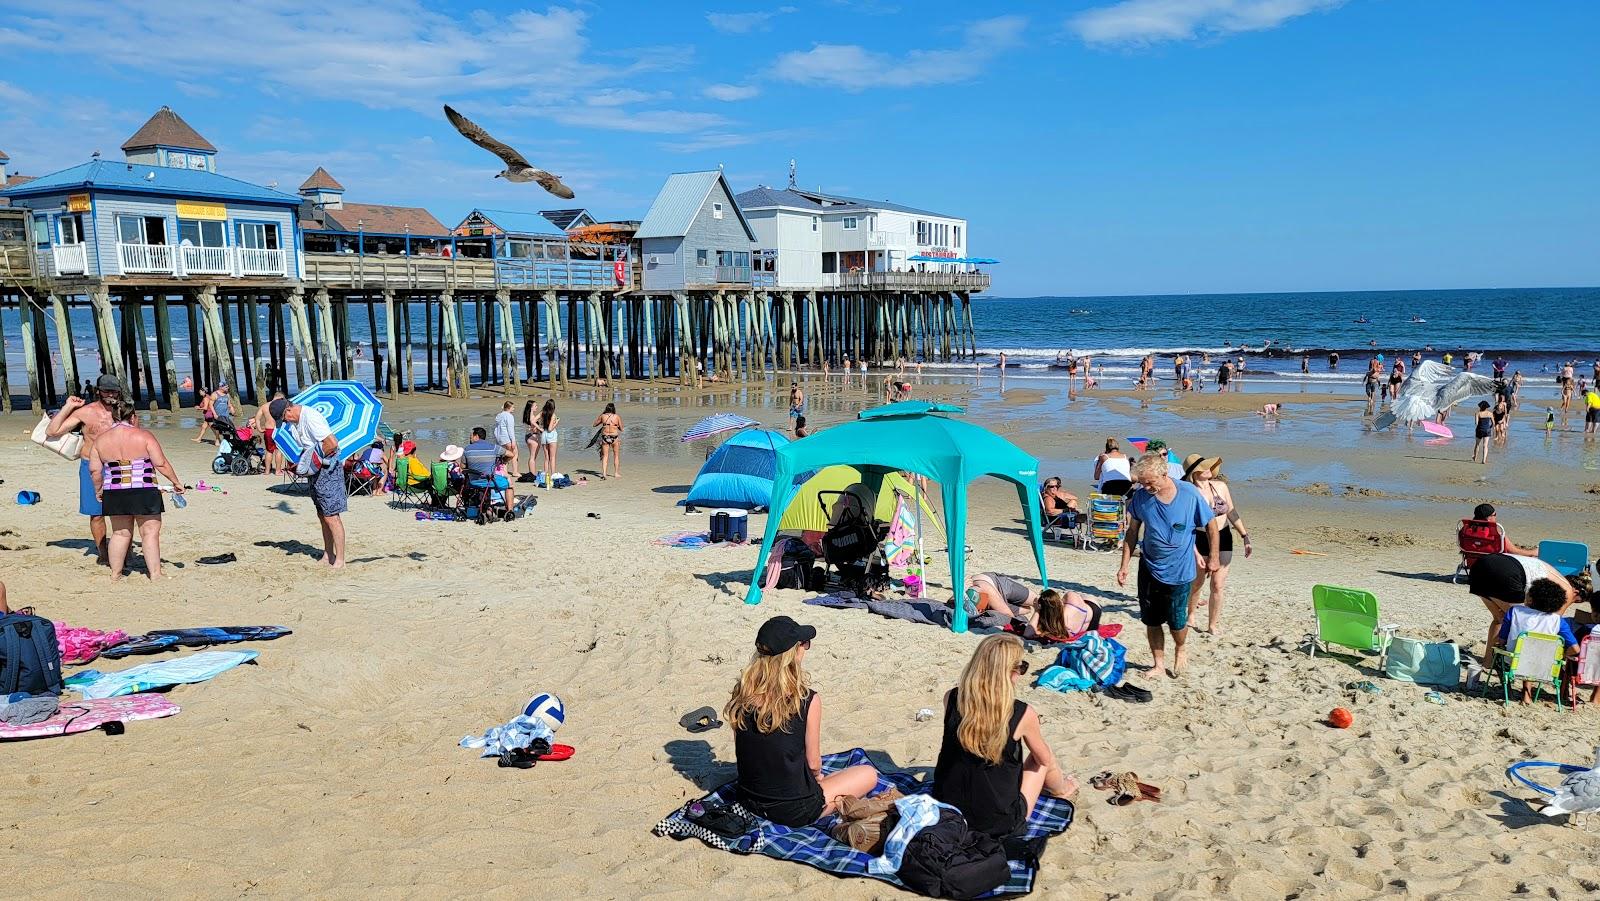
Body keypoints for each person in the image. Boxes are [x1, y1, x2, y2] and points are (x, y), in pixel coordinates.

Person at [724, 616, 879, 827]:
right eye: (804, 644)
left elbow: (744, 749)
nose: (806, 648)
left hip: (749, 799)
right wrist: (817, 777)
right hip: (794, 810)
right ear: (793, 652)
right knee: (867, 774)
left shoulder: (741, 693)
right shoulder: (806, 699)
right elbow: (814, 764)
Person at [931, 635, 1077, 839]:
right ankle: (1062, 789)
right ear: (1010, 673)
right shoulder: (1022, 713)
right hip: (998, 823)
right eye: (1021, 667)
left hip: (946, 810)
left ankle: (1061, 788)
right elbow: (1043, 760)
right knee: (1043, 756)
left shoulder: (952, 697)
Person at [1117, 452, 1218, 677]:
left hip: (1180, 570)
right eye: (1142, 483)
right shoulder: (1141, 498)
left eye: (1149, 482)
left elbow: (1211, 525)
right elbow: (1132, 532)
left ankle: (1180, 648)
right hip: (1149, 567)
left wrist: (1214, 557)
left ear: (1164, 474)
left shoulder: (1189, 494)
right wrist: (1124, 565)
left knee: (1177, 623)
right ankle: (1158, 664)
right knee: (1151, 620)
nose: (1146, 487)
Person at [88, 395, 184, 581]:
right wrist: (175, 482)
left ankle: (115, 573)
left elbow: (95, 470)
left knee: (120, 533)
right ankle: (155, 574)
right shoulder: (144, 436)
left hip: (115, 491)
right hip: (144, 490)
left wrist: (98, 490)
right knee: (149, 533)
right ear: (132, 416)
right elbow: (161, 463)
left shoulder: (101, 440)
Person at [46, 374, 126, 565]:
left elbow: (135, 438)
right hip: (91, 465)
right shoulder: (85, 412)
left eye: (114, 390)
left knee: (122, 512)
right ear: (98, 391)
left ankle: (123, 551)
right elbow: (52, 431)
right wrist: (68, 406)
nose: (110, 394)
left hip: (119, 466)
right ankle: (103, 552)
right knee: (96, 513)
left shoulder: (125, 411)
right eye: (106, 390)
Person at [270, 396, 346, 568]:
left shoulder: (310, 417)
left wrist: (314, 461)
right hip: (317, 469)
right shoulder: (295, 422)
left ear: (288, 410)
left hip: (328, 468)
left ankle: (340, 560)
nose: (286, 423)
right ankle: (328, 555)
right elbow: (308, 447)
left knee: (331, 515)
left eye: (284, 419)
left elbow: (332, 443)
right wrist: (303, 463)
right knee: (322, 514)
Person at [1467, 551, 1576, 671]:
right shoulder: (1568, 591)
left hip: (1482, 565)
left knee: (1499, 619)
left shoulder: (1555, 574)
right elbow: (1547, 625)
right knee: (1519, 620)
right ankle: (1521, 666)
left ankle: (1487, 663)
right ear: (1577, 594)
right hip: (1508, 575)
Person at [1182, 455, 1251, 636]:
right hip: (1200, 537)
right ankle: (1191, 614)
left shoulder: (1220, 486)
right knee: (1197, 582)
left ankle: (1212, 624)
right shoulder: (1189, 491)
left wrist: (1244, 535)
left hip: (1224, 536)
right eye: (1204, 466)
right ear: (1194, 471)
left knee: (1218, 584)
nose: (1209, 469)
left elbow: (1231, 511)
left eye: (1210, 466)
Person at [1495, 579, 1582, 704]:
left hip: (1515, 661)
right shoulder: (1558, 621)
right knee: (1532, 654)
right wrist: (1558, 656)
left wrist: (1501, 645)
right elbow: (1575, 649)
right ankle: (1526, 694)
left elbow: (1501, 640)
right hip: (1544, 666)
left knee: (1499, 652)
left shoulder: (1515, 611)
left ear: (1532, 598)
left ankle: (1508, 689)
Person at [464, 426, 515, 512]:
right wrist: (503, 461)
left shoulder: (467, 449)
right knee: (509, 486)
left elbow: (463, 467)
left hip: (473, 482)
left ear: (476, 436)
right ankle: (510, 511)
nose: (470, 438)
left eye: (471, 436)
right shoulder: (493, 447)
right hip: (490, 481)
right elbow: (511, 455)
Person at [529, 399, 559, 482]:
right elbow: (550, 429)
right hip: (551, 435)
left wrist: (539, 428)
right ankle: (552, 475)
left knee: (546, 458)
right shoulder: (553, 415)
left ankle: (546, 475)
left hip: (544, 434)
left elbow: (533, 421)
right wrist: (556, 423)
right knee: (552, 457)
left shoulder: (542, 412)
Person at [594, 402, 624, 479]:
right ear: (614, 409)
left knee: (605, 456)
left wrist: (602, 419)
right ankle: (616, 473)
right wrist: (615, 425)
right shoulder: (617, 416)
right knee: (616, 455)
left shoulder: (603, 416)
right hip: (614, 437)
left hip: (605, 437)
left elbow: (594, 424)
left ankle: (604, 473)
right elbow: (621, 429)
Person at [494, 401, 520, 478]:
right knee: (514, 454)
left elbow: (496, 429)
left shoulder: (499, 415)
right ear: (509, 408)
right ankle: (515, 471)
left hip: (500, 438)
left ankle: (504, 471)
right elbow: (510, 429)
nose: (514, 409)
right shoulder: (509, 416)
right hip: (507, 438)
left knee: (504, 454)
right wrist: (513, 440)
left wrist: (497, 438)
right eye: (513, 407)